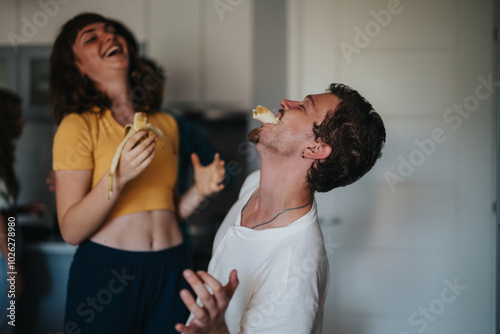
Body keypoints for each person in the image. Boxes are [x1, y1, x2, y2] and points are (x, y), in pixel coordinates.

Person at [50, 13, 225, 334]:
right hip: (108, 273)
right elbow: (71, 230)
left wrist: (199, 191)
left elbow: (169, 214)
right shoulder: (77, 126)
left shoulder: (166, 124)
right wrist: (118, 176)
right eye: (91, 37)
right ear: (77, 66)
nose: (109, 37)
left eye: (112, 32)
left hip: (173, 268)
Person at [175, 83, 386, 334]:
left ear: (315, 149)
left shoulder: (294, 272)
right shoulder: (255, 185)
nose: (286, 102)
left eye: (304, 106)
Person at [0, 89, 44, 334]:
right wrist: (11, 266)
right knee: (7, 319)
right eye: (16, 116)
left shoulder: (4, 158)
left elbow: (2, 207)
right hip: (2, 254)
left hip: (5, 251)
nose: (23, 121)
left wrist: (24, 209)